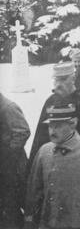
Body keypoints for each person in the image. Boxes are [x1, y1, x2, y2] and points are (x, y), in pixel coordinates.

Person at [30, 62, 80, 162]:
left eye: (63, 79)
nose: (58, 84)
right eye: (56, 80)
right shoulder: (50, 101)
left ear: (73, 79)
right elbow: (41, 136)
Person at [0, 92, 30, 229]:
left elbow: (23, 132)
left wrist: (6, 154)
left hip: (12, 169)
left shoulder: (8, 107)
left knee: (12, 207)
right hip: (5, 168)